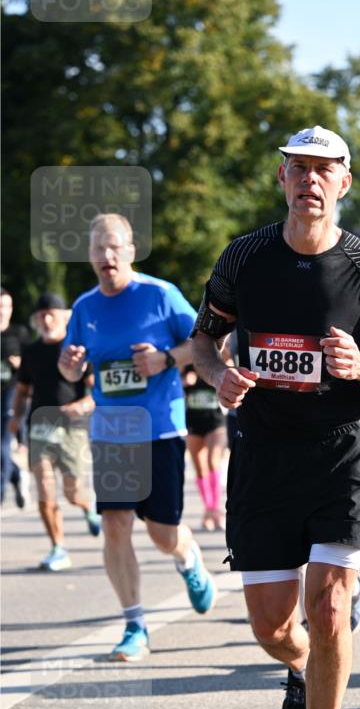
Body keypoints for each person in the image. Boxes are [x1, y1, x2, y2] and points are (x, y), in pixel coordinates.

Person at [192, 125, 360, 709]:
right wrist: (214, 377)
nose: (310, 180)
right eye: (299, 168)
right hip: (262, 457)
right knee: (272, 628)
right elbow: (202, 343)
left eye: (325, 170)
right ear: (280, 178)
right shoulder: (246, 257)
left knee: (330, 607)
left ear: (343, 183)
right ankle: (303, 667)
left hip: (342, 452)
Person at [58, 213, 216, 662]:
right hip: (112, 432)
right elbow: (70, 368)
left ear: (130, 250)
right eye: (97, 249)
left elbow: (209, 345)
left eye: (114, 247)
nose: (106, 256)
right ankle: (134, 624)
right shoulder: (85, 307)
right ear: (89, 256)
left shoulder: (160, 295)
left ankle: (187, 558)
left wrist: (167, 359)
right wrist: (69, 365)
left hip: (160, 428)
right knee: (115, 524)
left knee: (162, 533)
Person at [9, 293, 100, 569]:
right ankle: (58, 548)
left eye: (52, 314)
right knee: (45, 488)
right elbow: (23, 390)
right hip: (39, 427)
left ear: (65, 317)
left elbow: (96, 392)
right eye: (41, 315)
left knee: (73, 492)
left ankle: (88, 507)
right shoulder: (32, 351)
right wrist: (16, 417)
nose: (46, 319)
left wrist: (83, 406)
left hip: (71, 429)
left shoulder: (77, 350)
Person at [183, 365, 227, 531]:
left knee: (213, 460)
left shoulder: (216, 362)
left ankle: (215, 509)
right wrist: (184, 381)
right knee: (200, 468)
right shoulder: (187, 365)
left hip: (215, 421)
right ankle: (209, 509)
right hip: (193, 422)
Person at [1, 287, 30, 508]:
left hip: (11, 394)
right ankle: (16, 475)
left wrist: (20, 364)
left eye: (7, 306)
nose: (3, 311)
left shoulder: (19, 333)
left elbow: (30, 368)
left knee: (3, 444)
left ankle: (0, 493)